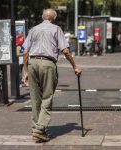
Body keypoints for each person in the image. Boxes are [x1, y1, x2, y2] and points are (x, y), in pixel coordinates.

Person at [22, 8, 82, 143]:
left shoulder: (33, 30)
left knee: (35, 98)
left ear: (43, 17)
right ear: (53, 18)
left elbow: (25, 52)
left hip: (32, 63)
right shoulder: (56, 29)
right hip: (48, 64)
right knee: (47, 97)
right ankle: (39, 129)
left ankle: (36, 128)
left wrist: (26, 71)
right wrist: (75, 67)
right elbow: (65, 51)